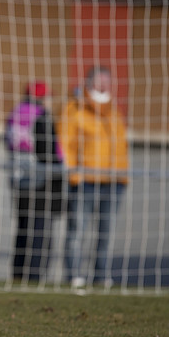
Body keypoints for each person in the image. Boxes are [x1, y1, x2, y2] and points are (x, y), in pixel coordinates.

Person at [59, 66, 129, 290]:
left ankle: (101, 275)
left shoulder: (114, 111)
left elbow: (120, 146)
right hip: (85, 180)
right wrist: (73, 173)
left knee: (106, 233)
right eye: (100, 81)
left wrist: (122, 174)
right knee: (78, 230)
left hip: (114, 181)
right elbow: (65, 144)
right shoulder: (75, 108)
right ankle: (74, 274)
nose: (104, 86)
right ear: (90, 83)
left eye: (107, 81)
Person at [5, 81, 64, 282]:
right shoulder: (41, 116)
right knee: (40, 230)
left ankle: (18, 272)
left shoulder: (15, 114)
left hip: (18, 178)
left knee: (23, 227)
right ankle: (34, 274)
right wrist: (60, 173)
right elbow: (49, 151)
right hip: (40, 181)